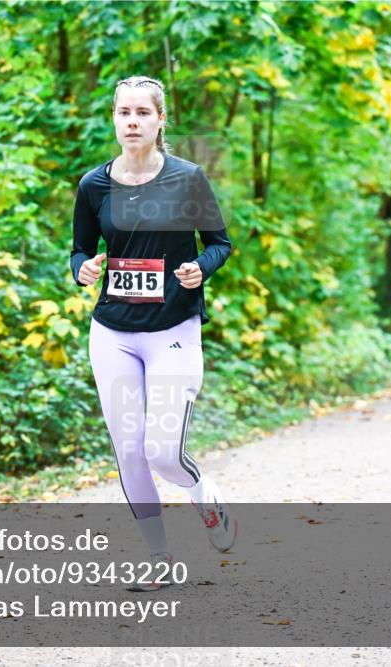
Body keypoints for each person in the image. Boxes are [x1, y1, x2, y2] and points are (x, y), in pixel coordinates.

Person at [71, 75, 236, 590]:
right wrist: (83, 269)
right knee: (129, 448)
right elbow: (79, 249)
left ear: (161, 120)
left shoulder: (187, 178)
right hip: (113, 331)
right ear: (114, 119)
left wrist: (200, 269)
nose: (133, 121)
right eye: (124, 113)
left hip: (173, 328)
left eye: (144, 112)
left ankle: (202, 492)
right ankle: (160, 557)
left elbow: (219, 243)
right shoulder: (93, 185)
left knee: (164, 451)